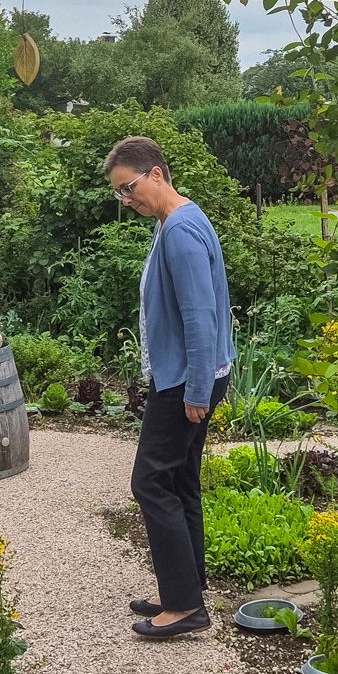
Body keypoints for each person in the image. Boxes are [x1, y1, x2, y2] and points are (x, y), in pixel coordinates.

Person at [103, 135, 234, 640]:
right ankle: (187, 587)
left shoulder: (178, 230)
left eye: (129, 187)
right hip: (191, 375)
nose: (126, 199)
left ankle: (184, 605)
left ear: (156, 173)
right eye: (120, 193)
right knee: (179, 481)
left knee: (150, 482)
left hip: (185, 381)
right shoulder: (178, 218)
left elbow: (200, 318)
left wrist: (196, 391)